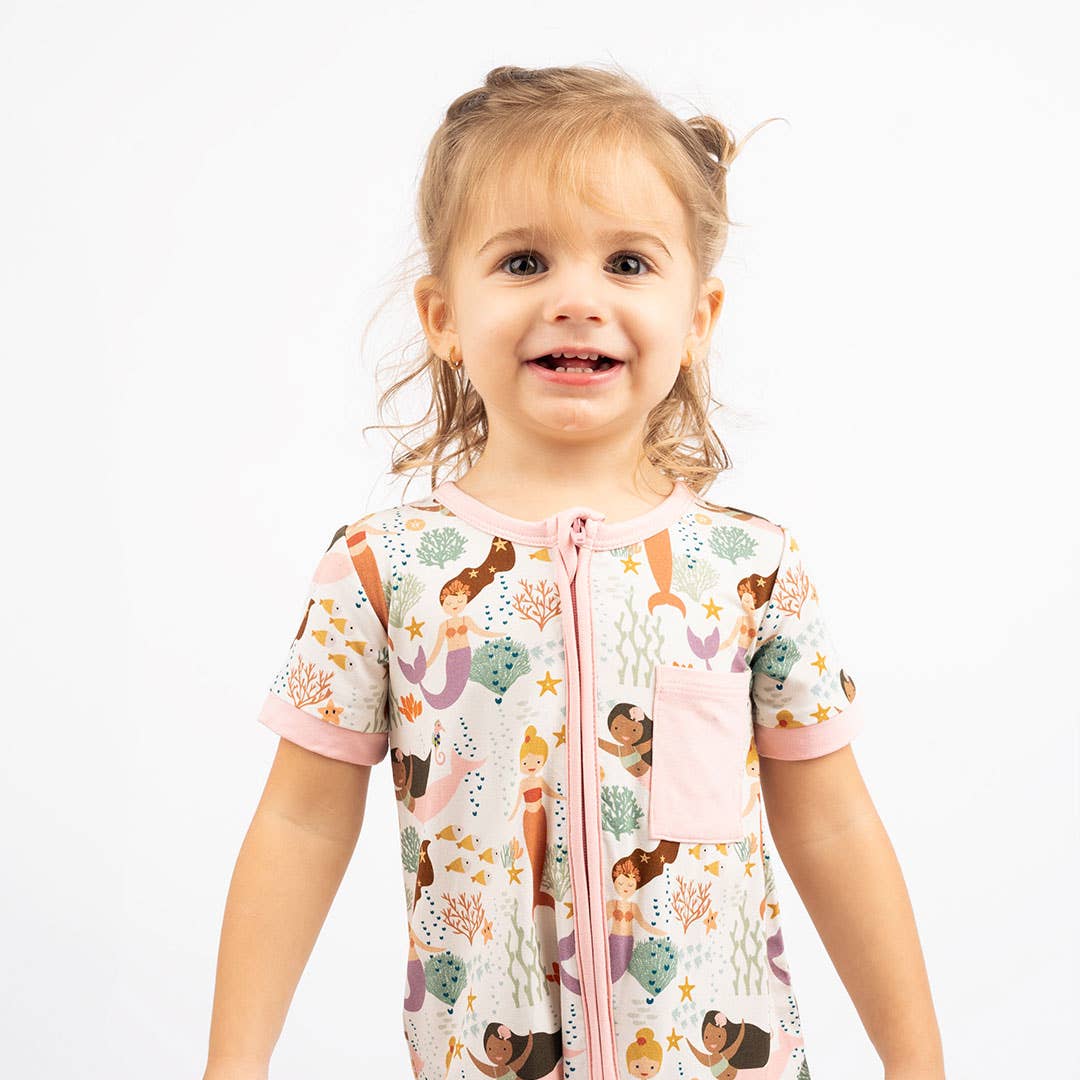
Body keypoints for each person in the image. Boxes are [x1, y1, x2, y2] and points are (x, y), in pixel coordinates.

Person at [202, 63, 945, 1080]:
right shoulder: (384, 571)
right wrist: (231, 1067)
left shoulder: (751, 570)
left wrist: (920, 1064)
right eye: (522, 261)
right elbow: (296, 822)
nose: (576, 300)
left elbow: (835, 827)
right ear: (442, 318)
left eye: (629, 263)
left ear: (698, 321)